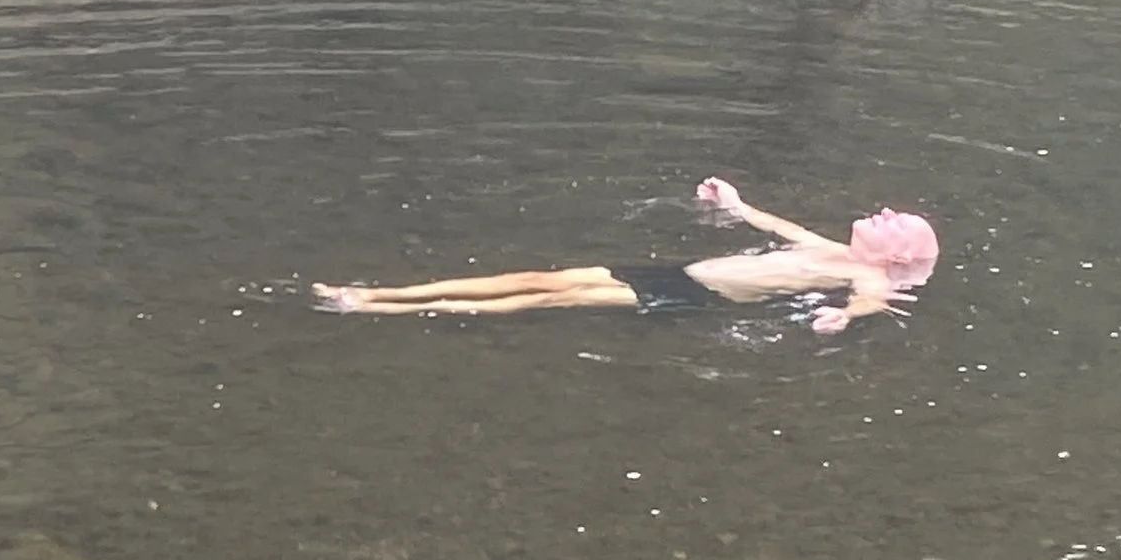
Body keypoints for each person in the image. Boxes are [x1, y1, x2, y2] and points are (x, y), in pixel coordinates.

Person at [312, 177, 938, 335]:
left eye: (893, 225)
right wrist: (736, 204)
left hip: (689, 295)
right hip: (669, 272)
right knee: (539, 277)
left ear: (895, 256)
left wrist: (843, 317)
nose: (882, 214)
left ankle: (373, 308)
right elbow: (775, 224)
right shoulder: (830, 247)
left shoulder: (868, 277)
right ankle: (383, 289)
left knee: (550, 299)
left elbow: (872, 302)